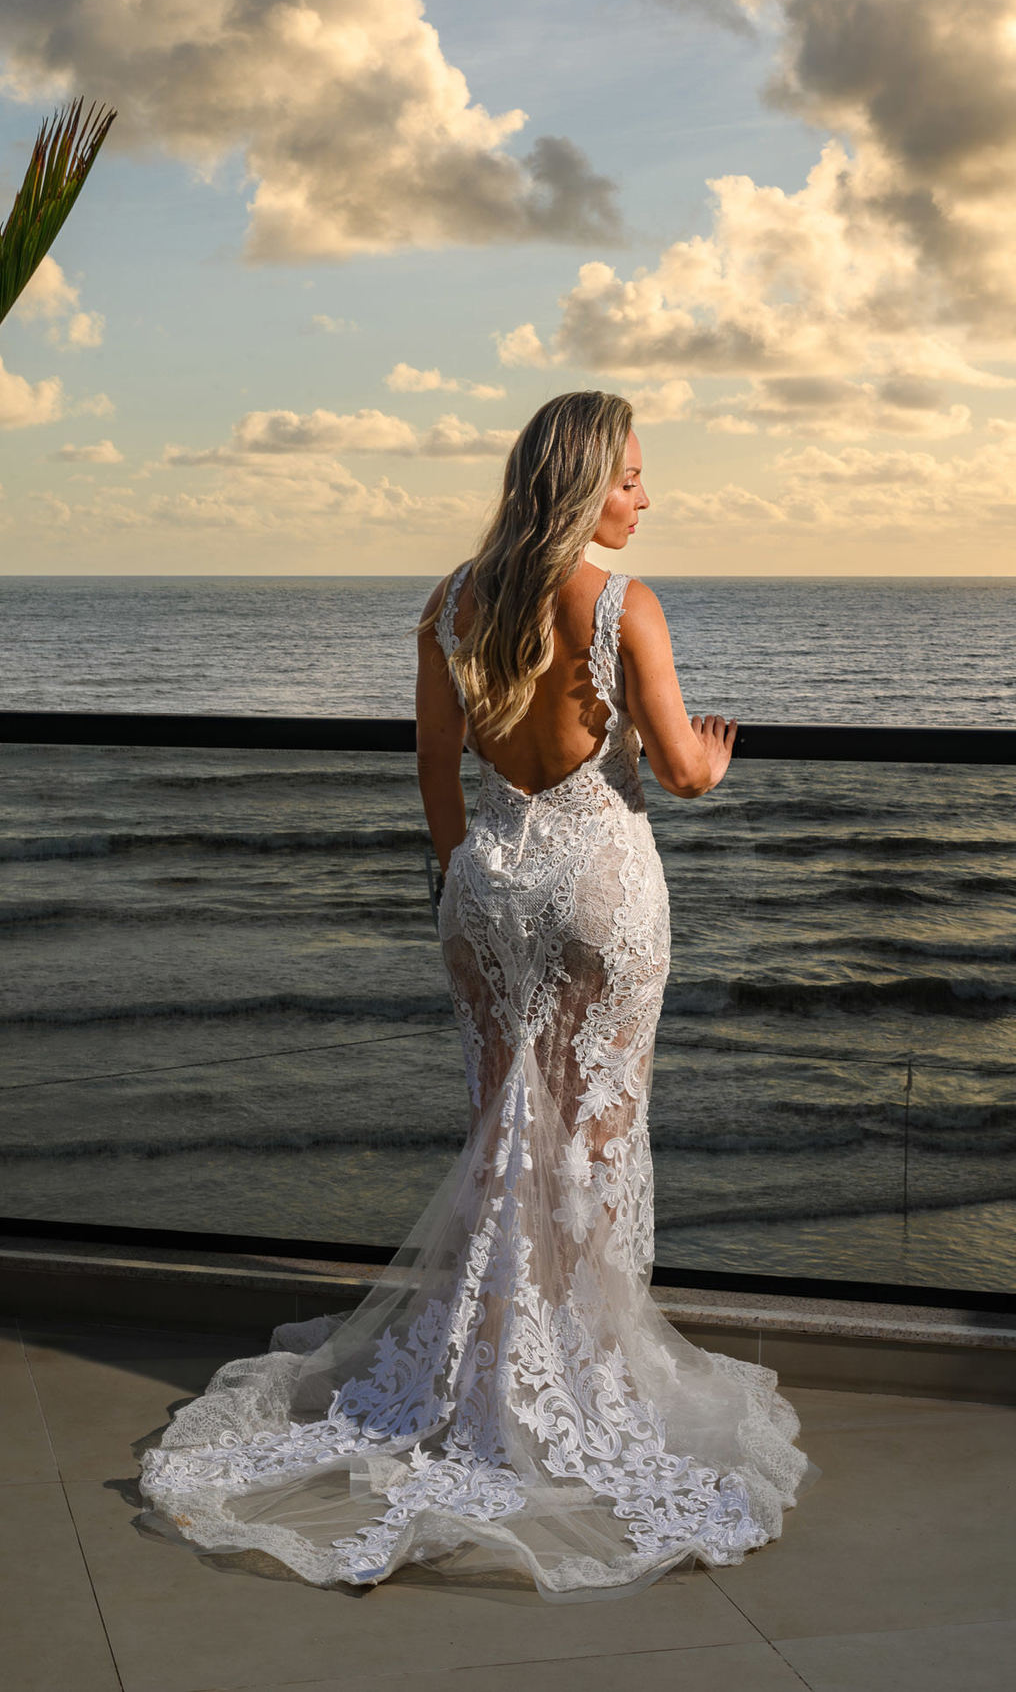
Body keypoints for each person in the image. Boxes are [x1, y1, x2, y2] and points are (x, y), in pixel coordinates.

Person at [135, 390, 818, 1599]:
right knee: (596, 1137)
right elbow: (678, 769)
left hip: (489, 892)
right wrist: (714, 754)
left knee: (506, 1134)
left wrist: (460, 878)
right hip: (600, 886)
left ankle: (495, 1368)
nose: (646, 500)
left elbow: (435, 774)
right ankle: (585, 1382)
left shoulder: (454, 604)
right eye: (633, 479)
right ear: (586, 483)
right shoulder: (621, 607)